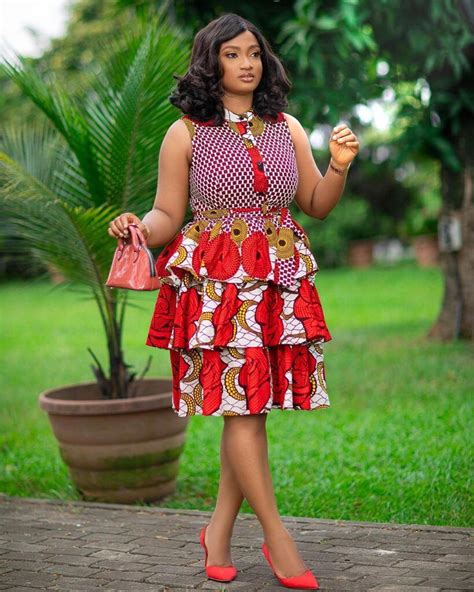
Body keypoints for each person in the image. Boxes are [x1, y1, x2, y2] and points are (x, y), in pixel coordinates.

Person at [107, 12, 359, 589]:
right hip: (217, 284)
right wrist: (138, 229)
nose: (247, 63)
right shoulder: (187, 133)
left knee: (250, 410)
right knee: (244, 410)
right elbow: (168, 213)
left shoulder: (286, 126)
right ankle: (277, 536)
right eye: (232, 54)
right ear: (210, 63)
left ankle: (217, 532)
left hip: (275, 281)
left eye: (253, 53)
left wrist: (340, 167)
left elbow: (316, 203)